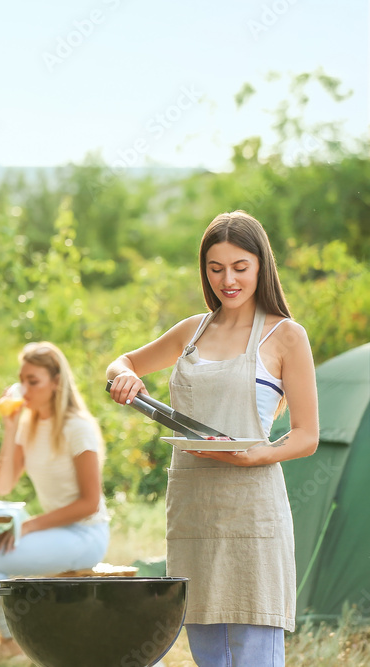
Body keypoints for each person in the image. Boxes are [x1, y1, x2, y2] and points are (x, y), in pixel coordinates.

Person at [106, 210, 318, 667]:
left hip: (252, 513)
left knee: (252, 651)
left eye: (240, 267)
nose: (228, 280)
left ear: (261, 265)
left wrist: (257, 455)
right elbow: (121, 362)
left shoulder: (286, 337)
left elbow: (306, 436)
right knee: (207, 651)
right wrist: (123, 378)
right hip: (193, 511)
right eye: (215, 268)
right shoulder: (191, 331)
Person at [0, 341, 110, 662]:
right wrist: (10, 428)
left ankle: (16, 638)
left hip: (86, 536)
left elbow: (90, 503)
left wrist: (29, 525)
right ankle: (17, 632)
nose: (23, 389)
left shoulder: (76, 428)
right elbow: (5, 484)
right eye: (21, 379)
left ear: (56, 382)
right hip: (58, 529)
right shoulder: (29, 423)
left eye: (33, 381)